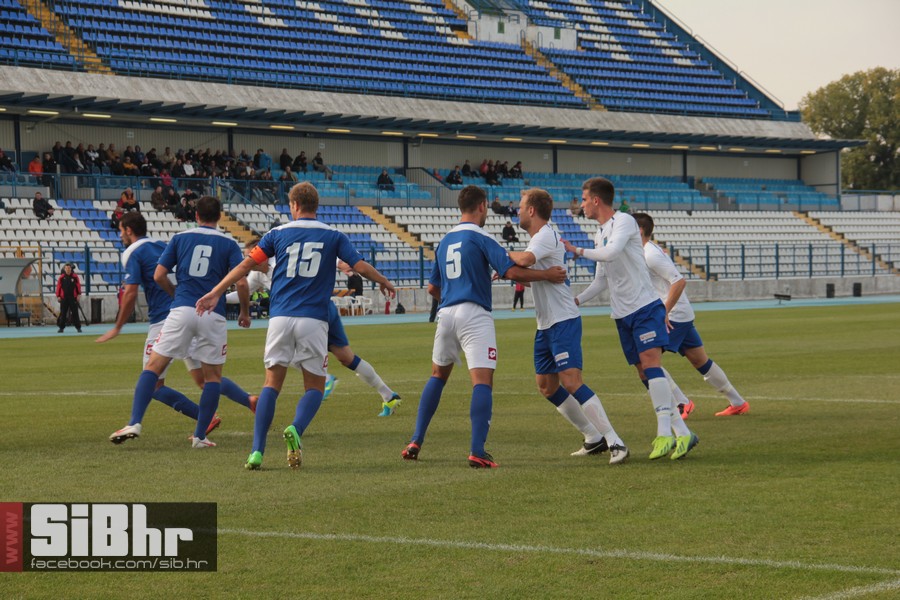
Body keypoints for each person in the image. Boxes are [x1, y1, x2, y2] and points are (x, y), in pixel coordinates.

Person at [196, 182, 395, 470]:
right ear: (316, 205)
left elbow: (245, 267)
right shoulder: (334, 235)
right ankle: (296, 429)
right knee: (314, 387)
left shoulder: (277, 234)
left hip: (279, 318)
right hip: (313, 319)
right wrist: (384, 281)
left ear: (293, 205)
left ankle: (256, 451)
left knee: (271, 384)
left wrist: (215, 291)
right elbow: (359, 265)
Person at [401, 185, 568, 468]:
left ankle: (416, 440)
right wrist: (547, 274)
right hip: (474, 314)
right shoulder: (481, 237)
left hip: (446, 314)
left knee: (437, 376)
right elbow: (512, 271)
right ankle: (477, 450)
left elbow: (432, 288)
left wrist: (452, 300)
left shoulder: (444, 241)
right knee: (482, 382)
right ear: (481, 206)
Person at [566, 177, 697, 461]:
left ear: (597, 200)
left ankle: (664, 433)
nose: (582, 204)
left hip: (645, 307)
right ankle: (683, 433)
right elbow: (601, 280)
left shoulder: (623, 221)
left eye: (585, 199)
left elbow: (611, 253)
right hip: (623, 315)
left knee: (651, 364)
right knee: (643, 372)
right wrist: (575, 300)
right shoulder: (601, 233)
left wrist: (575, 249)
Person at [101, 212, 258, 445]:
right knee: (206, 378)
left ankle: (138, 421)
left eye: (121, 229)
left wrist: (117, 326)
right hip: (197, 310)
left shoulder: (134, 252)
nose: (120, 234)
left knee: (154, 380)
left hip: (170, 316)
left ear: (128, 229)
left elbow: (136, 289)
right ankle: (246, 401)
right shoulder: (160, 244)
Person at [511, 189, 629, 464]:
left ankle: (615, 441)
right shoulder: (538, 238)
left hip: (563, 319)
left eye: (520, 206)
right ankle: (592, 437)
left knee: (572, 381)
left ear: (531, 210)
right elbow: (530, 274)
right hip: (546, 323)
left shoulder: (545, 235)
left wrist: (498, 254)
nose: (516, 210)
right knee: (546, 386)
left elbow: (525, 261)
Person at [631, 213, 749, 418]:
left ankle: (681, 403)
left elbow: (679, 281)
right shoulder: (645, 251)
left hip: (673, 315)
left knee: (645, 360)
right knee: (700, 360)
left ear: (639, 231)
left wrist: (664, 312)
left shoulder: (650, 254)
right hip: (681, 312)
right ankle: (738, 402)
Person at [56, 263, 82, 333]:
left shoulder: (75, 277)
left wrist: (79, 295)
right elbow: (58, 287)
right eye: (66, 268)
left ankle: (78, 327)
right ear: (65, 269)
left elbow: (78, 286)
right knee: (63, 313)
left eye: (69, 268)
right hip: (64, 298)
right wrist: (58, 296)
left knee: (75, 313)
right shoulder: (61, 277)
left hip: (73, 298)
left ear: (71, 269)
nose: (68, 269)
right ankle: (61, 328)